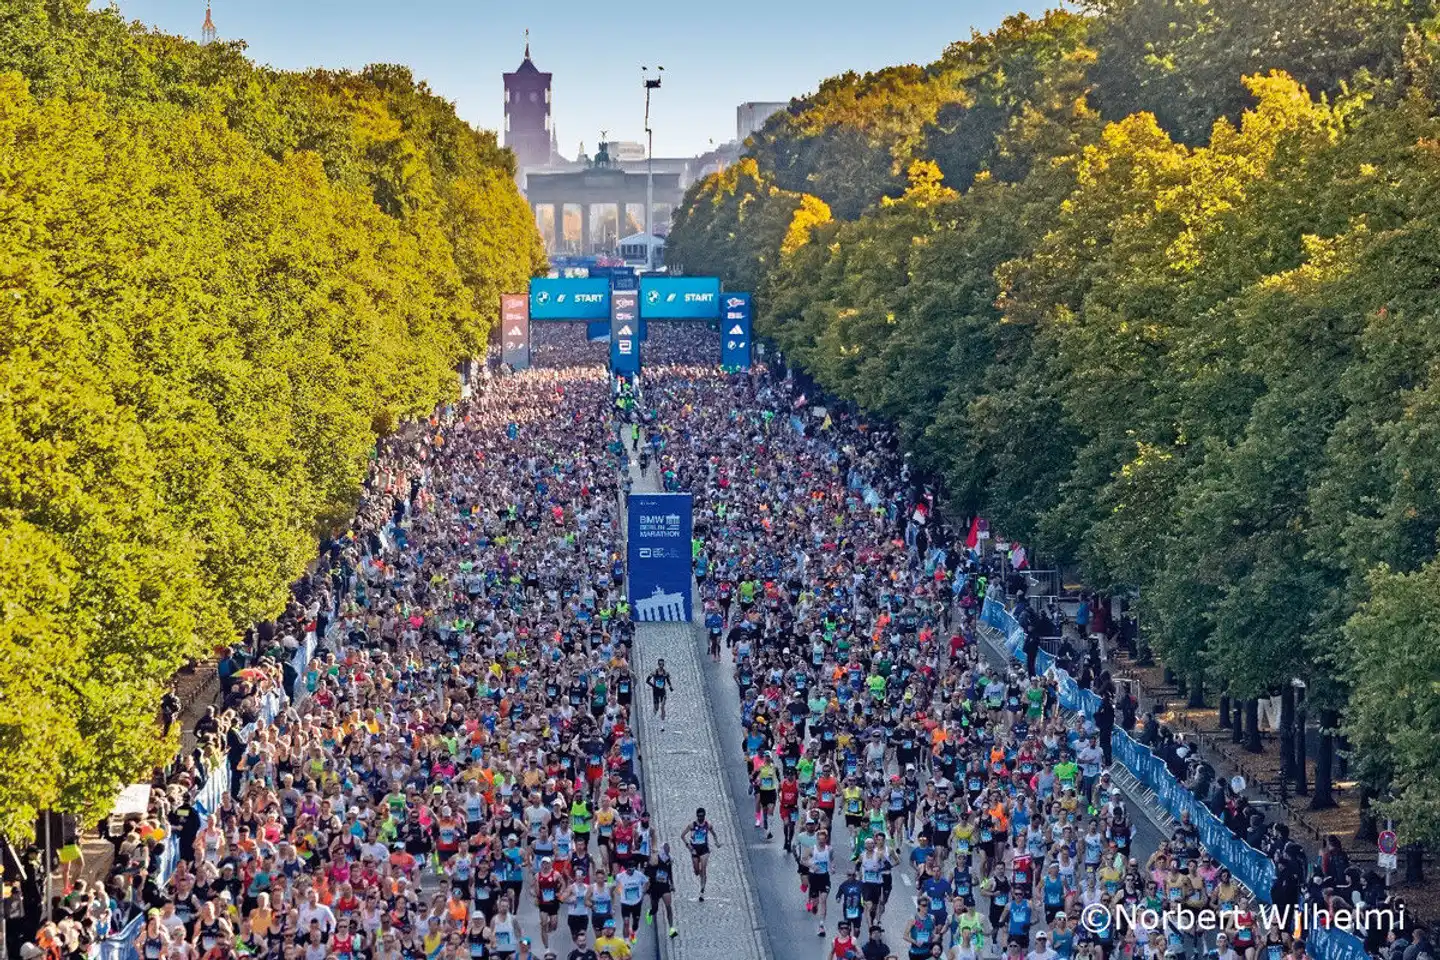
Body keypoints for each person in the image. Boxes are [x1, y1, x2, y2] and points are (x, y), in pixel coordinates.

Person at [681, 808, 717, 902]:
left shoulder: (708, 825)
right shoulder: (692, 825)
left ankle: (702, 891)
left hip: (704, 850)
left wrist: (716, 842)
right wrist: (688, 846)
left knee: (703, 870)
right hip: (694, 850)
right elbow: (682, 836)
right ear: (697, 816)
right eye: (699, 816)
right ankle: (700, 874)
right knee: (697, 871)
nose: (701, 818)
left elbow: (714, 834)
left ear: (704, 816)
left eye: (702, 816)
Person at [646, 661, 671, 727]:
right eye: (660, 664)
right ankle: (654, 714)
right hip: (656, 692)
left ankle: (662, 723)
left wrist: (670, 686)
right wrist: (653, 686)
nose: (661, 665)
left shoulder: (666, 673)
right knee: (656, 708)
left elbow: (668, 680)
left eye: (662, 664)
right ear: (658, 664)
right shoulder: (654, 672)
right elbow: (647, 681)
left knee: (662, 706)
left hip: (662, 691)